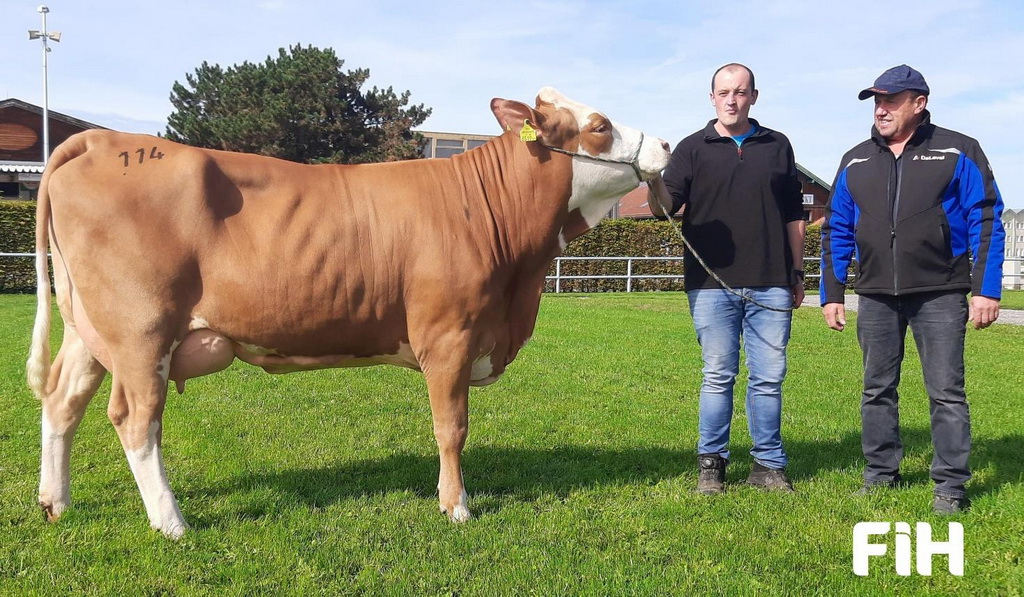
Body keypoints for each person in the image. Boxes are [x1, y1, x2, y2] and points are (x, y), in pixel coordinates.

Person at [820, 64, 1006, 513]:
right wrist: (832, 292)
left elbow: (986, 219)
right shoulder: (855, 159)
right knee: (876, 389)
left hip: (940, 290)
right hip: (877, 294)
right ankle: (881, 474)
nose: (881, 109)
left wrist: (986, 288)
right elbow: (837, 229)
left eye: (890, 100)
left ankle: (950, 486)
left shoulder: (958, 151)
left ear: (918, 104)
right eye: (876, 101)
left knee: (945, 390)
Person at [654, 63, 805, 494]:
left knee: (769, 377)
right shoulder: (691, 148)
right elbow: (662, 205)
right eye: (724, 92)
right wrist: (651, 175)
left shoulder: (778, 145)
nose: (732, 100)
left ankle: (768, 466)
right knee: (718, 375)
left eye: (740, 92)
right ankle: (711, 464)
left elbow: (795, 214)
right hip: (709, 285)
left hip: (772, 281)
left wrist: (797, 272)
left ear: (754, 96)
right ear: (712, 98)